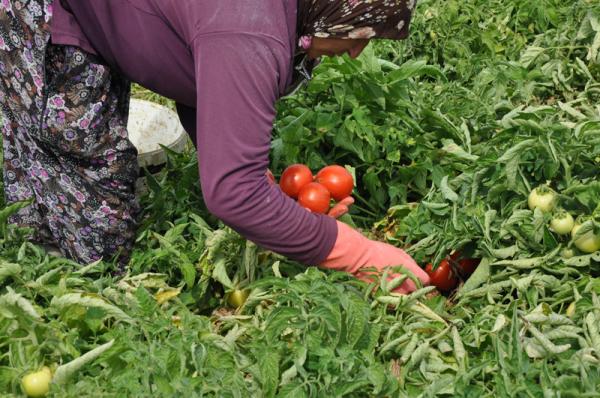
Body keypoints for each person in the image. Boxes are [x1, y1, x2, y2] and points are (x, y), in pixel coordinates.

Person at [0, 0, 429, 292]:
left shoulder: (265, 20)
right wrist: (359, 253)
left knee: (97, 196)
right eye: (359, 33)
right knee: (81, 224)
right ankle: (39, 281)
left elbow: (201, 68)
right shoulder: (250, 30)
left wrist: (257, 185)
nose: (357, 51)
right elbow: (233, 194)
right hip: (47, 11)